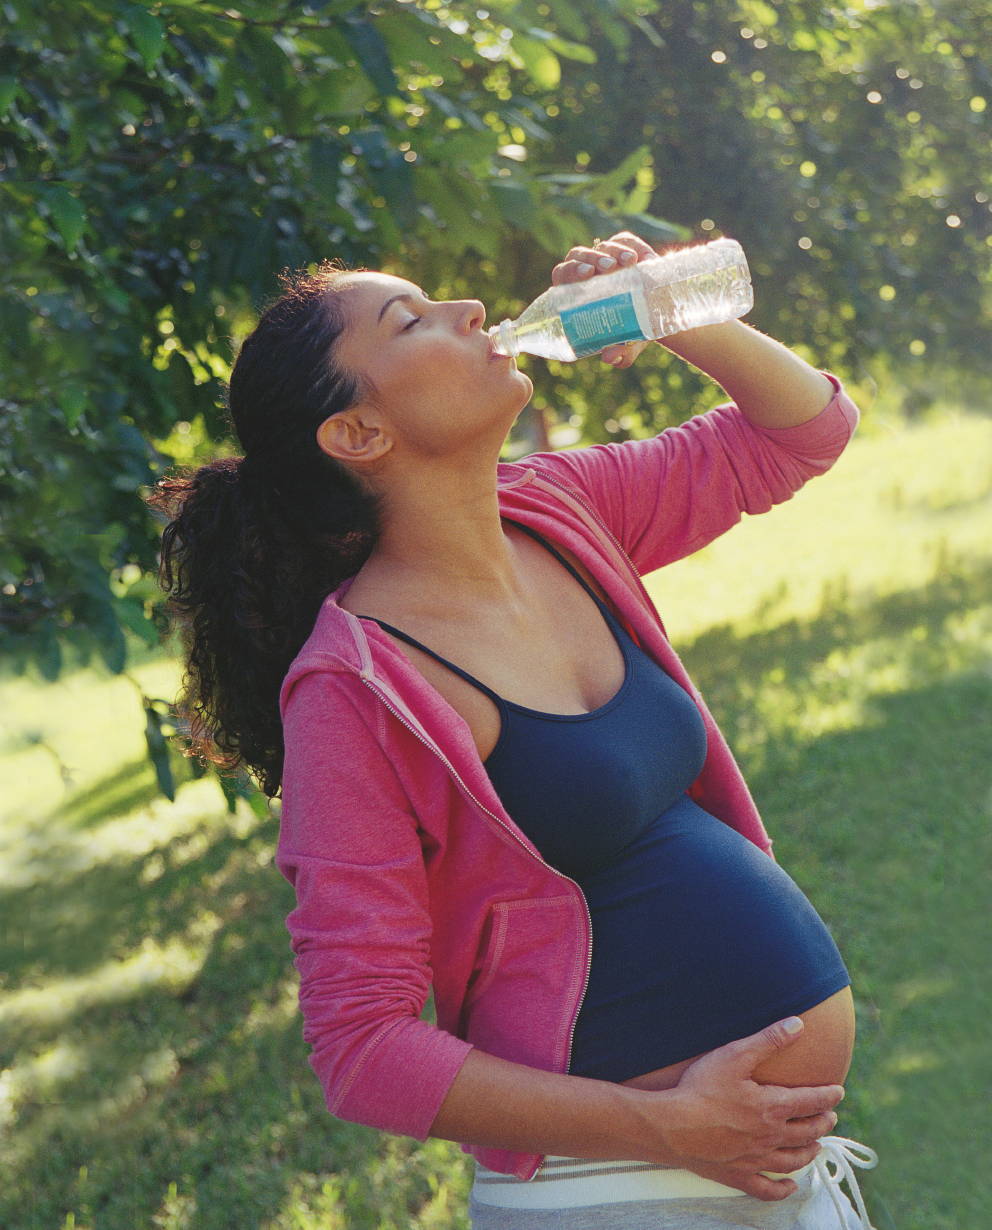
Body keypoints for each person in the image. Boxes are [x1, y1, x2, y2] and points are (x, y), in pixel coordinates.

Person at [150, 231, 879, 1228]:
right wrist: (664, 1128)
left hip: (763, 1178)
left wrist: (672, 309)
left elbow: (803, 432)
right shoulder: (354, 691)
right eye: (410, 320)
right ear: (357, 433)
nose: (468, 312)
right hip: (621, 1196)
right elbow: (361, 1050)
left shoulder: (558, 512)